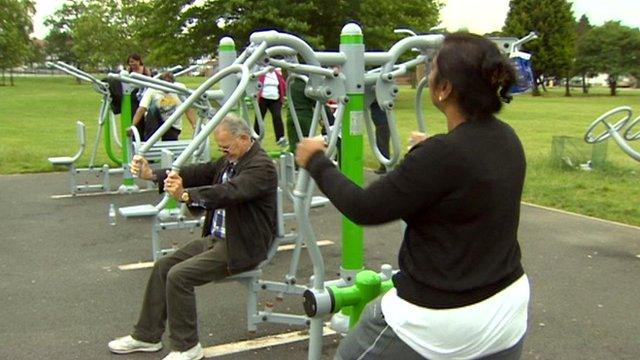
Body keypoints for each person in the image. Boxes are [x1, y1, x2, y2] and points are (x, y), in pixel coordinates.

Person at [296, 32, 529, 359]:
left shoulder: (440, 156)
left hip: (437, 319)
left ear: (445, 88)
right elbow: (464, 181)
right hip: (506, 308)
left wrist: (315, 161)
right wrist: (430, 149)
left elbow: (364, 208)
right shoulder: (506, 139)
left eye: (432, 70)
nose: (428, 76)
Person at [108, 114, 278, 360]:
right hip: (218, 239)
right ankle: (146, 336)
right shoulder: (229, 161)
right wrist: (152, 175)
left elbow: (229, 192)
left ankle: (187, 347)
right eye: (221, 148)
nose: (224, 152)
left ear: (243, 138)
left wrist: (186, 196)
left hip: (242, 245)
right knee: (164, 266)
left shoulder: (261, 167)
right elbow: (197, 172)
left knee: (179, 276)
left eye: (227, 147)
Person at [131, 71, 197, 141]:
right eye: (165, 85)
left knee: (170, 144)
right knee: (153, 108)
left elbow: (188, 108)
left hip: (172, 123)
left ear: (173, 83)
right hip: (156, 121)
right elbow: (141, 109)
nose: (167, 88)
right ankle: (149, 140)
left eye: (169, 85)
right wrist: (133, 125)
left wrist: (194, 126)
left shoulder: (180, 89)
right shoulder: (152, 89)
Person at [255, 67, 287, 148]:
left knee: (277, 117)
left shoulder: (277, 74)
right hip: (263, 98)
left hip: (275, 99)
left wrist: (283, 95)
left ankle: (280, 138)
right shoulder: (261, 73)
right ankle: (256, 137)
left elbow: (282, 84)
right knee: (259, 118)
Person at [369, 100, 390, 174]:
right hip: (380, 121)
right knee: (381, 141)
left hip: (382, 123)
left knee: (382, 141)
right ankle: (384, 165)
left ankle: (385, 166)